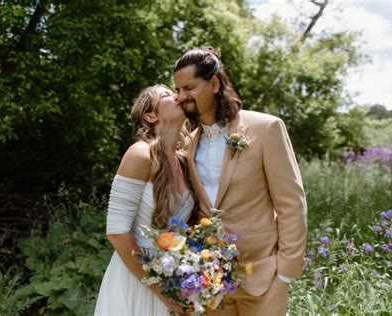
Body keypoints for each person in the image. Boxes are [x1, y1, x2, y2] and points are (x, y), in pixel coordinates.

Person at [173, 46, 307, 315]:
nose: (181, 97)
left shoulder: (266, 128)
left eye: (189, 88)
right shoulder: (188, 143)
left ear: (214, 83)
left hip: (264, 277)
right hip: (211, 281)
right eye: (177, 90)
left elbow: (291, 204)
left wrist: (285, 274)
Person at [94, 85, 197, 315]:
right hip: (138, 279)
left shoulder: (184, 161)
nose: (176, 96)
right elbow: (117, 232)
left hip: (175, 276)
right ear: (150, 116)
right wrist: (162, 292)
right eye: (166, 95)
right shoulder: (139, 154)